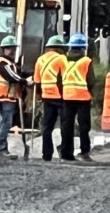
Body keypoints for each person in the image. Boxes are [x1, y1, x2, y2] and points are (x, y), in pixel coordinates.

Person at [0, 35, 29, 158]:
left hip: (7, 97)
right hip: (4, 97)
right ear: (3, 50)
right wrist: (26, 81)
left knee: (5, 123)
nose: (11, 51)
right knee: (5, 123)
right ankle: (2, 150)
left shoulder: (9, 63)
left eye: (13, 48)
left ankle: (3, 149)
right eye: (9, 48)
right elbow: (11, 77)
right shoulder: (2, 62)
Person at [33, 35, 68, 161]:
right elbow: (66, 77)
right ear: (60, 48)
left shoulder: (40, 60)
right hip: (60, 96)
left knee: (47, 127)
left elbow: (37, 81)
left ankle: (46, 154)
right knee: (65, 125)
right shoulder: (62, 59)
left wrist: (40, 95)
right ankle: (65, 152)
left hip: (46, 97)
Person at [60, 33, 95, 162]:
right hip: (83, 98)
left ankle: (66, 153)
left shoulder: (63, 60)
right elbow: (91, 80)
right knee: (84, 127)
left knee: (67, 126)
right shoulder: (86, 61)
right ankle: (84, 152)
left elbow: (59, 79)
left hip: (67, 97)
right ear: (82, 48)